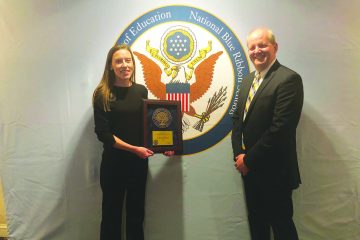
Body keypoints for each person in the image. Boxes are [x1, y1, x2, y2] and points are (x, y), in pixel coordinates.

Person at [92, 44, 173, 240]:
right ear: (110, 66)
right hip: (113, 165)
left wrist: (164, 147)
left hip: (138, 164)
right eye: (118, 61)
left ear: (133, 64)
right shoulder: (102, 93)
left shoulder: (141, 91)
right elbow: (103, 134)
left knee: (136, 216)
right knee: (111, 216)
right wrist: (134, 149)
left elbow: (147, 127)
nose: (124, 65)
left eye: (128, 60)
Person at [231, 28, 303, 240]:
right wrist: (239, 156)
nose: (256, 51)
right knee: (257, 226)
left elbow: (280, 129)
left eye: (262, 45)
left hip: (275, 172)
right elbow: (237, 120)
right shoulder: (247, 81)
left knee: (282, 228)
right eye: (252, 47)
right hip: (249, 170)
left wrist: (249, 159)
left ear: (275, 47)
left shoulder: (288, 79)